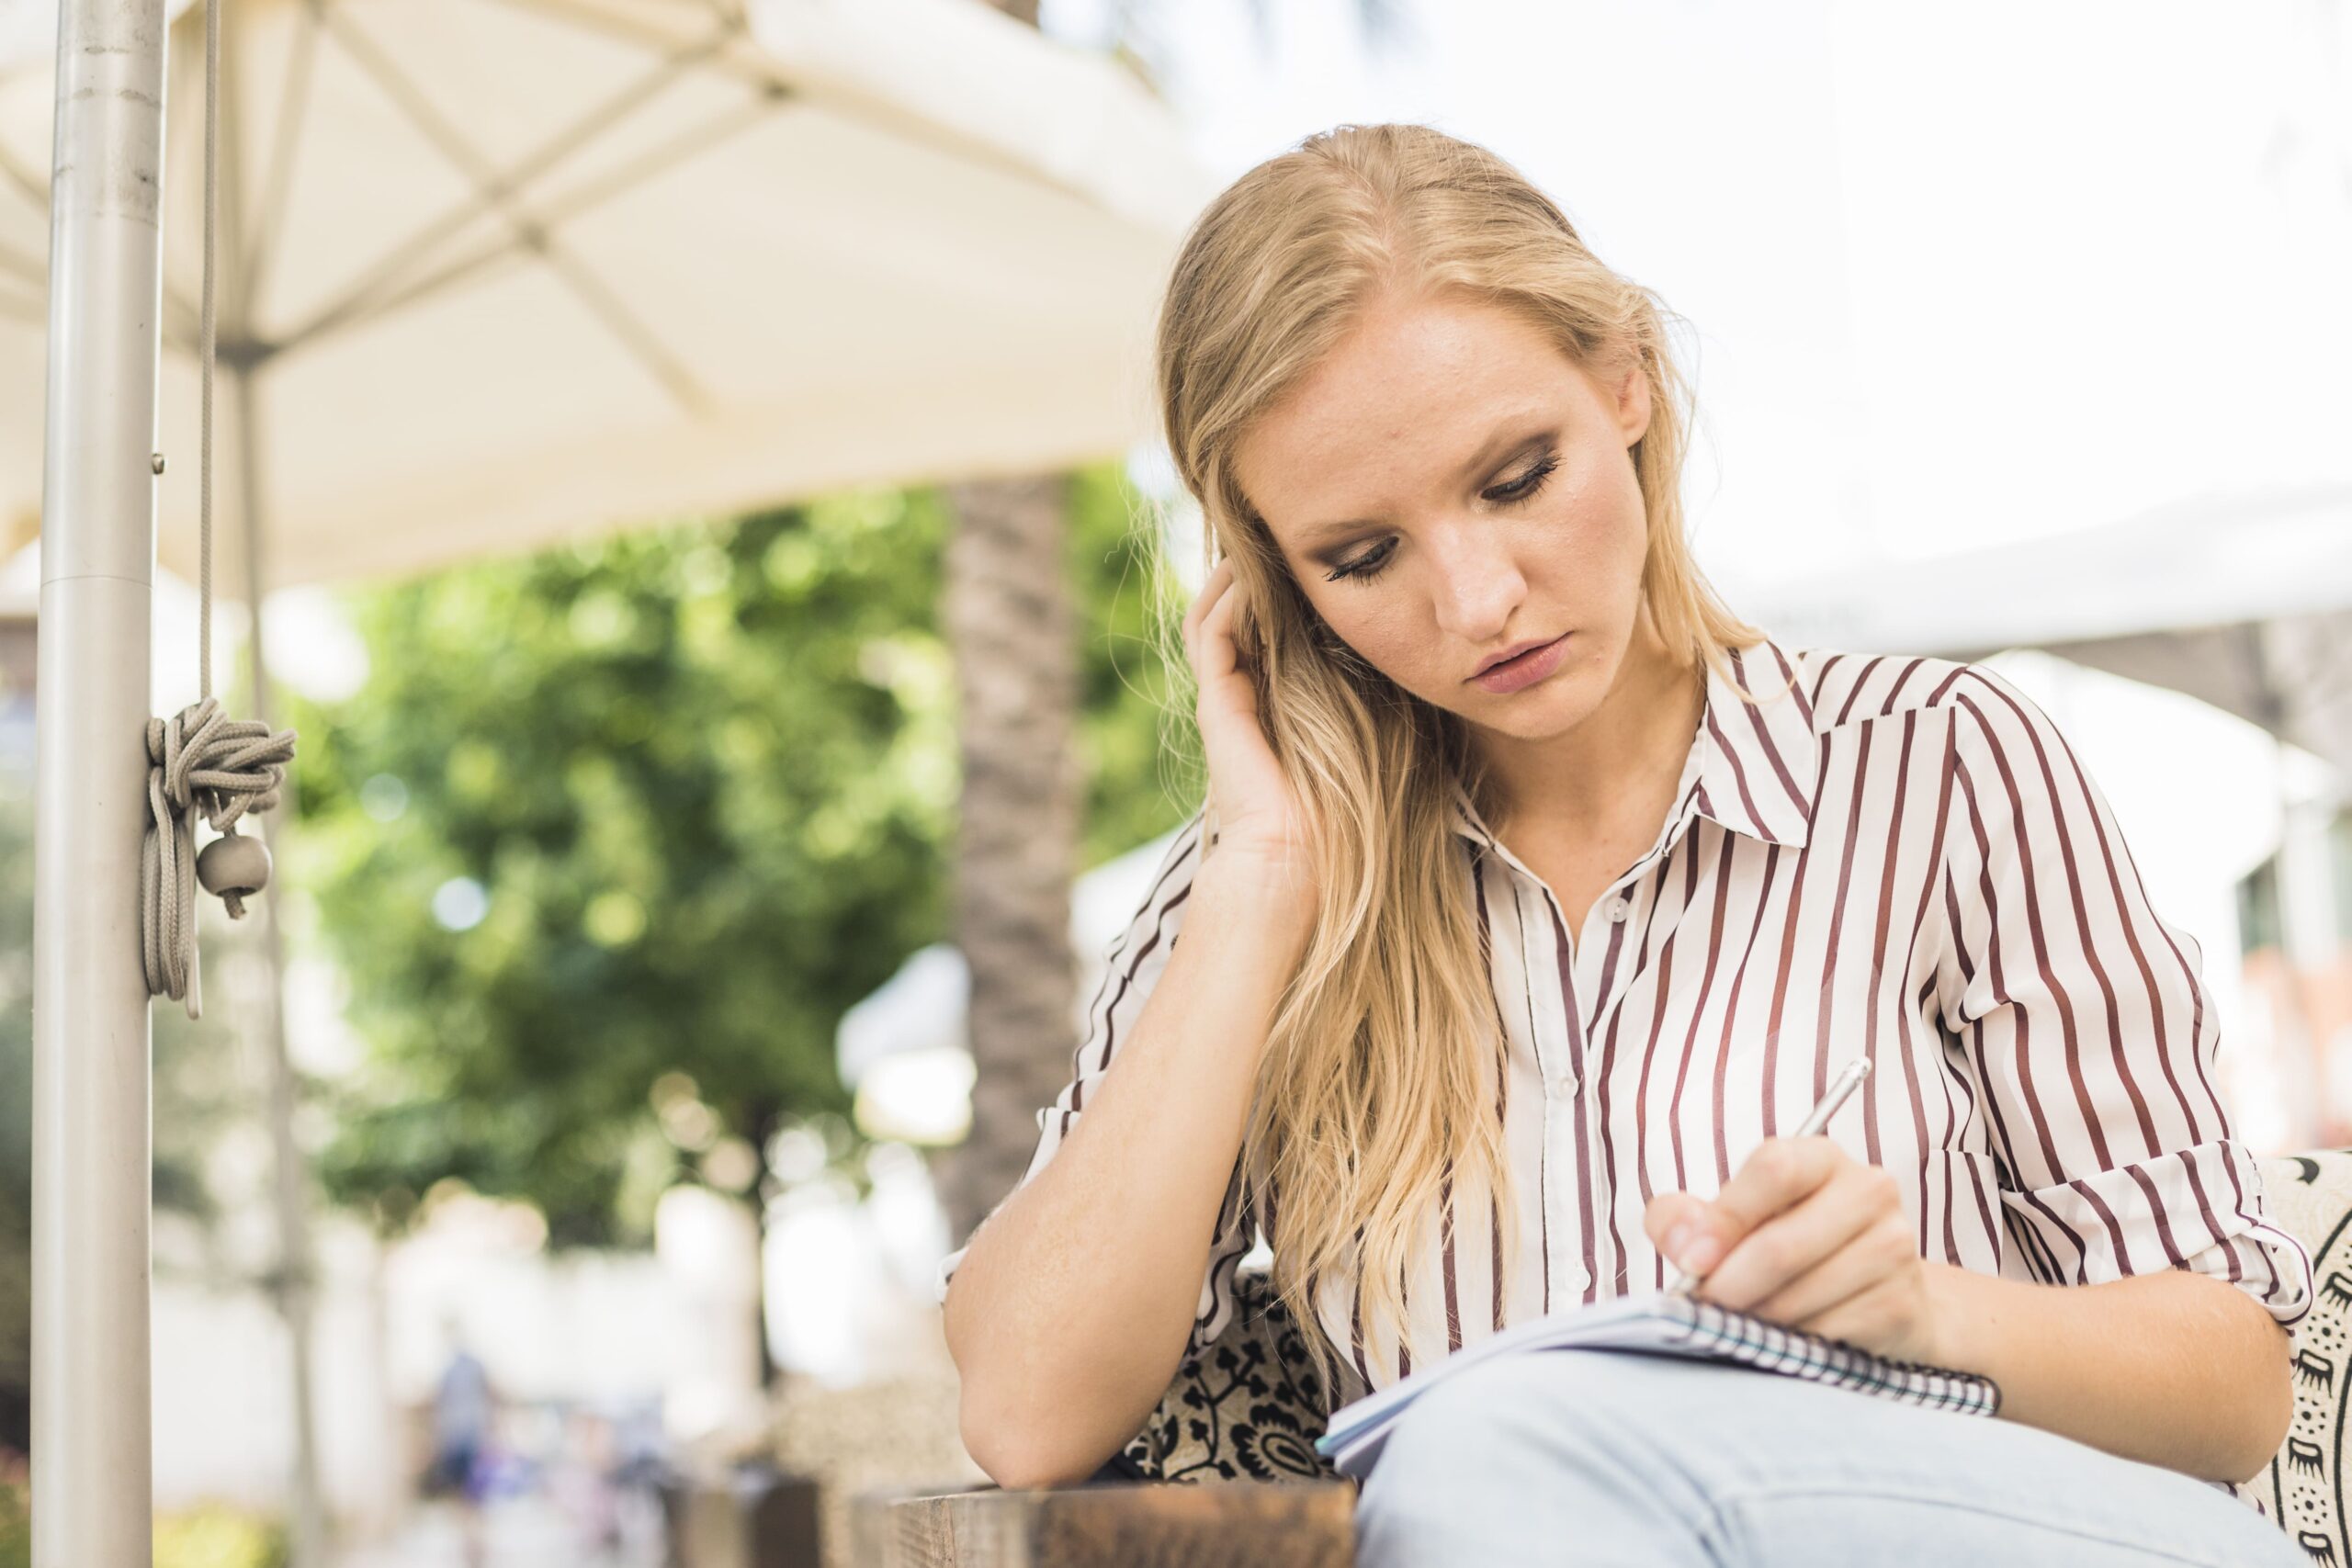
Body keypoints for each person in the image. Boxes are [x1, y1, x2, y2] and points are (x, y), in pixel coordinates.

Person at [935, 122, 2312, 1566]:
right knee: (1482, 1462)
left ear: (1627, 380)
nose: (1477, 602)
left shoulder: (1938, 765)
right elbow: (1027, 1415)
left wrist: (1923, 1312)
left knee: (1484, 1447)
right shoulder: (1254, 894)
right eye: (1361, 556)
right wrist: (1262, 878)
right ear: (1274, 587)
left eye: (1516, 476)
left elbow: (2235, 1388)